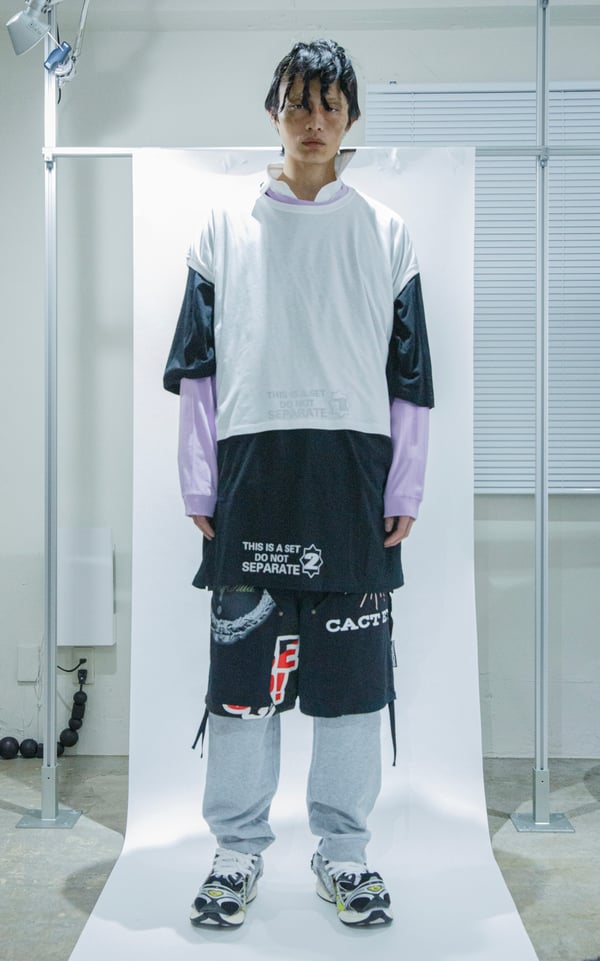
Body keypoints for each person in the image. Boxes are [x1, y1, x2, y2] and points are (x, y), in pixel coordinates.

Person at [163, 38, 434, 929]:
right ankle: (236, 851)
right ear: (273, 114)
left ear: (351, 117)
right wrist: (199, 482)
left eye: (330, 104)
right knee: (244, 681)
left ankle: (344, 852)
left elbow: (411, 378)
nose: (313, 121)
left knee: (353, 683)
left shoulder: (387, 232)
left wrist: (406, 486)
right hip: (254, 479)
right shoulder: (222, 226)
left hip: (354, 481)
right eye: (297, 104)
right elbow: (196, 369)